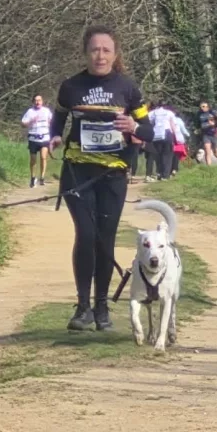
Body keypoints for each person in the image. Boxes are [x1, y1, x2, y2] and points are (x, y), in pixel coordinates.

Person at [50, 24, 154, 331]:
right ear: (85, 53)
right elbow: (58, 119)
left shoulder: (128, 88)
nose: (100, 56)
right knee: (86, 234)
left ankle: (102, 307)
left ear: (115, 54)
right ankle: (83, 307)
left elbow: (149, 130)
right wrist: (55, 137)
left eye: (106, 50)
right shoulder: (70, 87)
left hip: (112, 175)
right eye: (94, 50)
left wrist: (133, 127)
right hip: (77, 172)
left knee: (105, 238)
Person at [21, 94, 53, 187]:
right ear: (33, 102)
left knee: (43, 157)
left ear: (42, 101)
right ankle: (33, 178)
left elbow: (52, 121)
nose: (37, 102)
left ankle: (42, 178)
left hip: (44, 138)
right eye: (35, 100)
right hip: (33, 138)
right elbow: (22, 124)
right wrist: (31, 121)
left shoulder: (46, 111)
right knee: (33, 160)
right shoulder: (30, 112)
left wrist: (51, 124)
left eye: (39, 100)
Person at [149, 101, 178, 180]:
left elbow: (149, 123)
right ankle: (165, 175)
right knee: (167, 155)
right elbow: (173, 126)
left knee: (158, 155)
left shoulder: (153, 113)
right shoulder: (169, 113)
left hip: (156, 135)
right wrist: (176, 137)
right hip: (167, 133)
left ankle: (159, 173)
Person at [197, 101, 217, 165]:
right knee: (207, 151)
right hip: (206, 134)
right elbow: (198, 124)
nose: (204, 108)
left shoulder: (212, 112)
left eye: (205, 106)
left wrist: (216, 120)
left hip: (214, 133)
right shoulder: (199, 114)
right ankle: (209, 167)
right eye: (202, 106)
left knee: (216, 152)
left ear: (208, 106)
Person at [171, 109, 191, 175]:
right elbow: (183, 130)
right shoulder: (178, 120)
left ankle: (169, 169)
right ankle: (174, 169)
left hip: (168, 138)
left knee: (169, 154)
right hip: (177, 139)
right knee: (176, 154)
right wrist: (188, 135)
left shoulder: (166, 119)